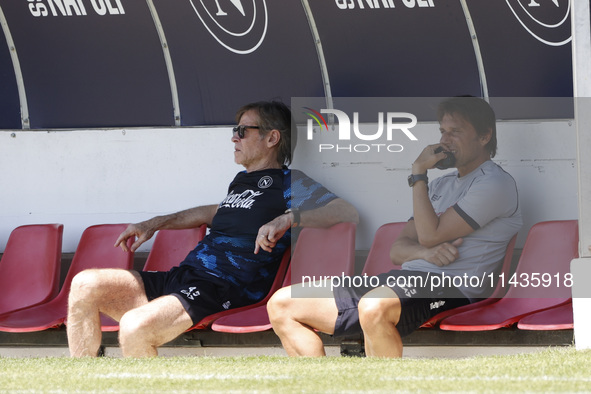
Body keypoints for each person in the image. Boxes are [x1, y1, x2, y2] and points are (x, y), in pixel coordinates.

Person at [66, 101, 359, 357]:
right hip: (185, 277)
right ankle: (82, 376)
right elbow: (214, 212)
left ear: (272, 138)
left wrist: (288, 218)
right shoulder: (241, 182)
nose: (234, 137)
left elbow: (347, 212)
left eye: (243, 130)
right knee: (85, 284)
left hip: (225, 286)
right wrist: (153, 223)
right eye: (235, 130)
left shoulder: (289, 182)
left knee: (135, 326)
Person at [268, 96, 522, 358]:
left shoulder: (494, 183)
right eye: (442, 131)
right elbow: (398, 251)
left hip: (453, 286)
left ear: (484, 136)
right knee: (282, 304)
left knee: (373, 306)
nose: (445, 140)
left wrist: (418, 173)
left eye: (455, 132)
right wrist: (424, 253)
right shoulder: (440, 185)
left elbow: (429, 234)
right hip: (404, 279)